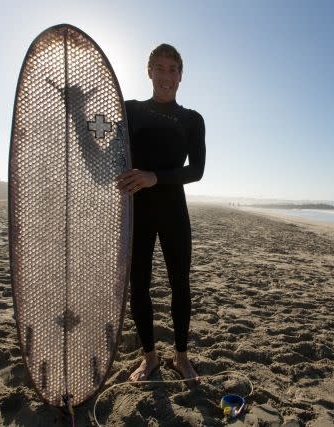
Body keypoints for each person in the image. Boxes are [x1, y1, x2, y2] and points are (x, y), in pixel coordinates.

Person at [116, 44, 205, 386]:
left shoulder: (191, 119)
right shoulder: (131, 111)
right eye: (160, 68)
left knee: (179, 283)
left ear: (180, 76)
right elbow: (103, 147)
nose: (166, 76)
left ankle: (181, 356)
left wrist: (155, 176)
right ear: (149, 71)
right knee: (139, 284)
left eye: (173, 69)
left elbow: (196, 170)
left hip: (173, 211)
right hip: (136, 211)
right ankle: (150, 357)